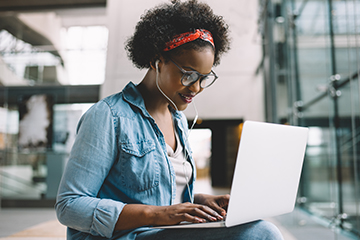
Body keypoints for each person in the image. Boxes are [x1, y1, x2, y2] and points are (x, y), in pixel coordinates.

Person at [55, 0, 284, 239]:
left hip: (166, 233)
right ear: (157, 62)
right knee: (261, 234)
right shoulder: (108, 116)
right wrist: (155, 215)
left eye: (204, 78)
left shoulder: (179, 121)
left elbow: (161, 196)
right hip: (129, 235)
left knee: (256, 226)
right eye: (188, 75)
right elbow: (69, 206)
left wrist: (200, 202)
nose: (196, 88)